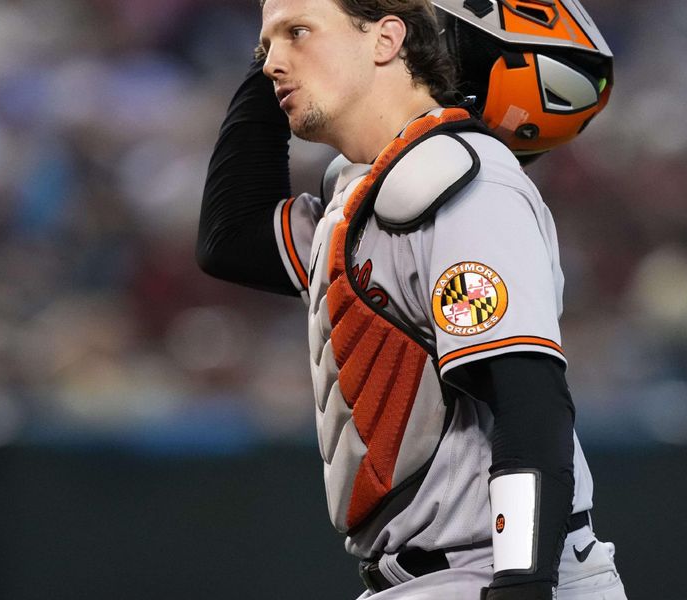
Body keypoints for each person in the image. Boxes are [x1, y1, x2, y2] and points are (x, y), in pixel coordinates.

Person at [197, 0, 627, 598]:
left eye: (299, 34)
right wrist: (281, 29)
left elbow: (528, 400)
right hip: (422, 579)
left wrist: (523, 582)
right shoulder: (363, 189)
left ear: (385, 39)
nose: (272, 63)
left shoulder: (462, 181)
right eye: (266, 46)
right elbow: (232, 239)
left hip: (493, 571)